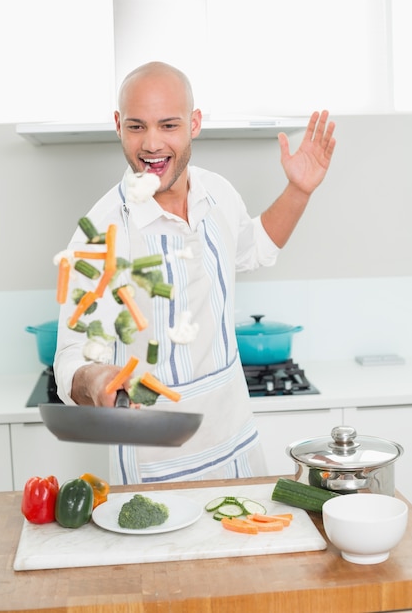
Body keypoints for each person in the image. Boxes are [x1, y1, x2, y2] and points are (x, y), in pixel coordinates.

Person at [54, 61, 336, 484]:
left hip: (237, 443)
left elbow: (254, 247)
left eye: (168, 125)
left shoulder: (217, 193)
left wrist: (299, 190)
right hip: (154, 461)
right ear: (117, 125)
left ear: (194, 123)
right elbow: (70, 356)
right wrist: (95, 380)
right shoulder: (98, 235)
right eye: (136, 127)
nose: (151, 143)